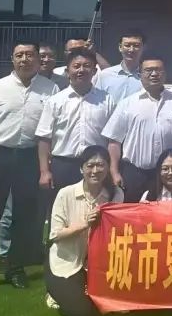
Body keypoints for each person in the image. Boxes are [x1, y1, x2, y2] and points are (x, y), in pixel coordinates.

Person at [0, 42, 59, 296]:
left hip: (30, 157)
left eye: (30, 55)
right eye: (20, 55)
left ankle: (15, 268)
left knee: (24, 217)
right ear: (12, 59)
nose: (24, 59)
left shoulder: (50, 89)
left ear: (38, 59)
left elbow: (51, 131)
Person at [44, 145, 122, 316]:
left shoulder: (116, 194)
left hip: (99, 263)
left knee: (114, 306)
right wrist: (85, 224)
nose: (95, 170)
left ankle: (79, 288)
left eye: (100, 165)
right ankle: (54, 292)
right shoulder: (65, 194)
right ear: (81, 169)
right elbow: (55, 235)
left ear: (108, 167)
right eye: (90, 165)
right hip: (66, 261)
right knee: (81, 312)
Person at [35, 48, 114, 215]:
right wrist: (44, 171)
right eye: (76, 66)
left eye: (87, 66)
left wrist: (113, 169)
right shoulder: (56, 101)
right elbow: (44, 138)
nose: (81, 70)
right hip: (63, 166)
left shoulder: (107, 100)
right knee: (61, 214)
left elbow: (113, 139)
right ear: (67, 71)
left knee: (97, 214)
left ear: (94, 71)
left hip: (96, 167)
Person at [102, 56, 172, 203]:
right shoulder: (127, 103)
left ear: (165, 74)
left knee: (165, 212)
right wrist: (114, 172)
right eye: (148, 70)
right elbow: (114, 141)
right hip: (134, 172)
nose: (154, 74)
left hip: (168, 174)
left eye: (158, 70)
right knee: (132, 211)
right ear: (140, 74)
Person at [93, 30, 145, 107]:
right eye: (127, 45)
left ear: (142, 48)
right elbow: (97, 102)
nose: (131, 49)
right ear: (120, 47)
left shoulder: (147, 77)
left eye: (136, 45)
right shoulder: (105, 75)